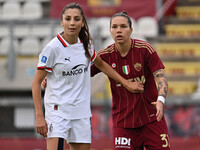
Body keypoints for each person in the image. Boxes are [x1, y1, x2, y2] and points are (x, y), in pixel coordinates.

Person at [32, 3, 143, 150]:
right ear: (62, 21)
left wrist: (127, 84)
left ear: (83, 22)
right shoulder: (52, 48)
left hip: (81, 113)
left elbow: (102, 65)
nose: (72, 23)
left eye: (76, 19)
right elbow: (36, 82)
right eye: (68, 19)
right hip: (58, 113)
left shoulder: (87, 44)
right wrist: (40, 116)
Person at [91, 12, 170, 150]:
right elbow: (79, 73)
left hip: (151, 118)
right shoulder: (104, 56)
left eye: (123, 26)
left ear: (131, 30)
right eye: (114, 27)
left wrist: (161, 100)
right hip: (123, 123)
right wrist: (49, 80)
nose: (119, 30)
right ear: (110, 31)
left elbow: (161, 77)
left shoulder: (145, 49)